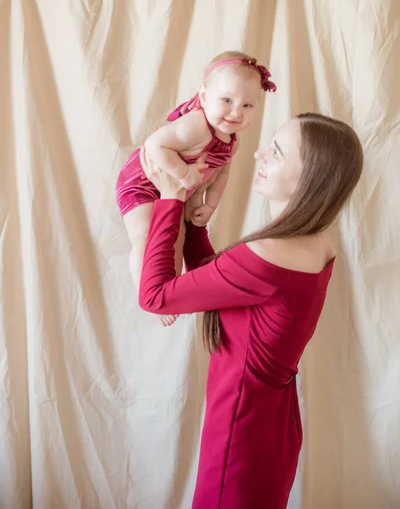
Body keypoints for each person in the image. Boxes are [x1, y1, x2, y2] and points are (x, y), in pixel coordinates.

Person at [137, 112, 364, 508]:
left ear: (310, 178)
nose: (258, 154)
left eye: (275, 153)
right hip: (271, 426)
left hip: (240, 434)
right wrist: (194, 226)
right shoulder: (314, 245)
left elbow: (155, 295)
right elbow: (223, 282)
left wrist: (170, 197)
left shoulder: (271, 255)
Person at [115, 50, 276, 326]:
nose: (236, 111)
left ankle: (166, 288)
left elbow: (223, 171)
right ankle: (149, 293)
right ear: (203, 96)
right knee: (145, 237)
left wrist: (209, 205)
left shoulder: (232, 140)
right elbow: (154, 145)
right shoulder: (197, 126)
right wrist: (185, 173)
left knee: (174, 238)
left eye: (248, 105)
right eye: (226, 100)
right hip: (141, 183)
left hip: (174, 189)